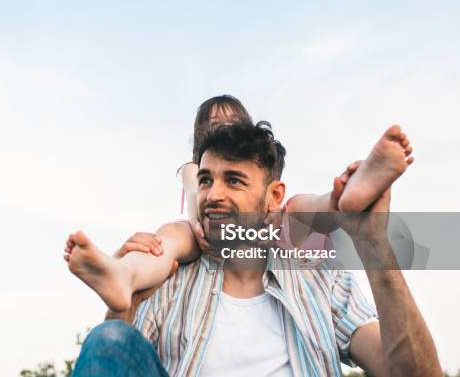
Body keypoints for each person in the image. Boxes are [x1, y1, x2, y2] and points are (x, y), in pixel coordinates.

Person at [70, 122, 441, 376]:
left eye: (233, 181)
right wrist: (125, 304)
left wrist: (373, 244)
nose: (213, 195)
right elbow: (116, 360)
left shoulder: (318, 278)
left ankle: (349, 193)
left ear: (273, 196)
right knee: (109, 337)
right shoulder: (171, 275)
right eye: (205, 180)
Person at [63, 96, 414, 312]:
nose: (221, 134)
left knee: (301, 207)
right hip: (209, 238)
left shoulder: (259, 161)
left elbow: (270, 195)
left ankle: (344, 197)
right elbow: (197, 213)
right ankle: (123, 274)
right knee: (168, 237)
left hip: (266, 226)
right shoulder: (194, 170)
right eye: (211, 130)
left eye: (230, 126)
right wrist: (202, 224)